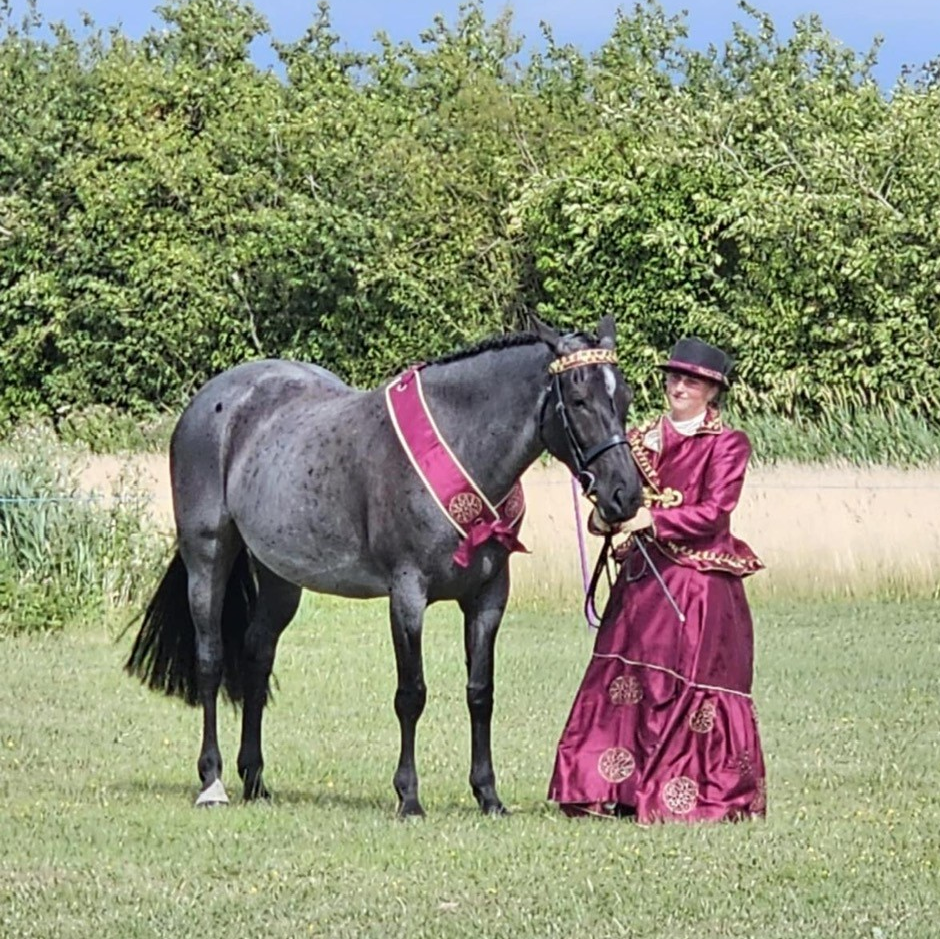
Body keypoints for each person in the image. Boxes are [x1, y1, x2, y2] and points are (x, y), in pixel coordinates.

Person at [548, 337, 766, 822]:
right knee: (625, 681)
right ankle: (611, 790)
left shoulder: (728, 444)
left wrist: (653, 520)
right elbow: (619, 496)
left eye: (692, 382)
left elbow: (715, 511)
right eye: (674, 378)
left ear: (713, 391)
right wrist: (607, 517)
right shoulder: (636, 438)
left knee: (686, 684)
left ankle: (685, 796)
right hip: (642, 579)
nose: (680, 387)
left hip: (698, 585)